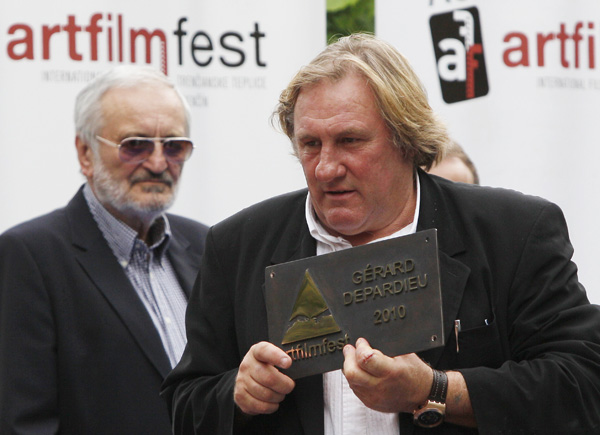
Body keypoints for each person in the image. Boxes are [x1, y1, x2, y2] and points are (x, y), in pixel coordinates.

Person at [161, 34, 600, 434]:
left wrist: (435, 390)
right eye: (310, 144)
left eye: (350, 141)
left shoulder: (512, 232)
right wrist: (237, 395)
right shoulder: (239, 247)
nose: (325, 168)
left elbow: (583, 383)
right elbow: (184, 404)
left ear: (407, 139)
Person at [0, 66, 209, 434]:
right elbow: (24, 422)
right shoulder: (30, 256)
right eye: (135, 145)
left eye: (174, 146)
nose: (158, 163)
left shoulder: (207, 245)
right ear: (86, 152)